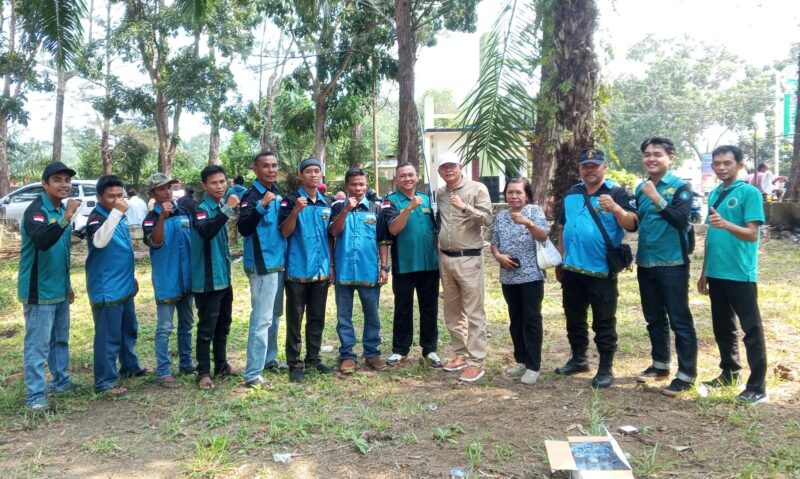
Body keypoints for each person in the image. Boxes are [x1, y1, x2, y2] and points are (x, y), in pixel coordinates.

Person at [554, 148, 638, 389]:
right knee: (574, 318)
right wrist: (560, 258)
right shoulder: (572, 193)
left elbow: (632, 224)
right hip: (572, 268)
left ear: (604, 168)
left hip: (601, 270)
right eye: (585, 166)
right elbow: (564, 227)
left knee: (603, 321)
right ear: (580, 169)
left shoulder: (616, 192)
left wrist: (616, 209)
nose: (590, 170)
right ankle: (578, 359)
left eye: (595, 165)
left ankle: (605, 368)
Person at [697, 145, 768, 404]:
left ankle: (757, 387)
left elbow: (752, 234)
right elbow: (711, 235)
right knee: (723, 328)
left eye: (727, 162)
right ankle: (729, 373)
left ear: (739, 164)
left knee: (751, 329)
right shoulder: (716, 192)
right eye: (717, 163)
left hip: (740, 273)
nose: (721, 167)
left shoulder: (750, 193)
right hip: (716, 272)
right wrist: (704, 271)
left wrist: (726, 224)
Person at [634, 137, 698, 396]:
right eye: (647, 154)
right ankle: (660, 364)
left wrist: (656, 198)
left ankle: (686, 374)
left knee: (679, 320)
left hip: (672, 263)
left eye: (657, 154)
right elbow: (636, 222)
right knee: (654, 318)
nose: (651, 158)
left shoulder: (680, 187)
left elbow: (681, 220)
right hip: (646, 261)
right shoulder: (640, 188)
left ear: (670, 158)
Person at [19, 162, 81, 411]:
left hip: (59, 290)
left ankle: (60, 382)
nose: (64, 184)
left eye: (67, 180)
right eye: (57, 180)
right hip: (39, 291)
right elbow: (43, 241)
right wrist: (66, 218)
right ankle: (35, 396)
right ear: (45, 184)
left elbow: (62, 252)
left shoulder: (60, 209)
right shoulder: (36, 211)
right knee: (38, 344)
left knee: (60, 340)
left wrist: (68, 286)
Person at [85, 175, 147, 396]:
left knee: (128, 330)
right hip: (107, 288)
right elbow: (99, 241)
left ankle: (130, 366)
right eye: (111, 196)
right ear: (99, 197)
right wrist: (116, 212)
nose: (117, 200)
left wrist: (132, 277)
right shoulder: (97, 218)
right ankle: (105, 381)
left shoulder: (118, 215)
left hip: (124, 284)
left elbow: (123, 248)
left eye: (120, 195)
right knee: (108, 337)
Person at [436, 152, 493, 382]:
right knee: (452, 311)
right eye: (444, 167)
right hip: (445, 259)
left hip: (469, 258)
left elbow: (487, 219)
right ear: (439, 171)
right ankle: (460, 354)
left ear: (460, 166)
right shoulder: (440, 193)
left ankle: (476, 361)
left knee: (474, 312)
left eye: (452, 165)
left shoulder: (477, 189)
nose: (448, 170)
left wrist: (464, 207)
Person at [329, 168, 390, 374]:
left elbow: (382, 241)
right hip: (343, 271)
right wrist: (345, 210)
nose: (358, 188)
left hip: (368, 270)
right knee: (343, 316)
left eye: (361, 184)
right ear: (347, 186)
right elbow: (333, 232)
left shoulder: (376, 209)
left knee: (372, 315)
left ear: (366, 185)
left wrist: (384, 267)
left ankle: (372, 353)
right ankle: (347, 355)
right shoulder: (338, 207)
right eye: (354, 184)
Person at [278, 158, 335, 382]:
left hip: (321, 270)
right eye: (308, 171)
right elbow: (284, 232)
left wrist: (331, 265)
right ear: (300, 175)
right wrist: (295, 212)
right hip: (297, 269)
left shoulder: (327, 202)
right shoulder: (290, 200)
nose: (313, 174)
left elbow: (330, 236)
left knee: (317, 318)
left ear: (321, 174)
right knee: (295, 320)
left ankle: (314, 358)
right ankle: (294, 364)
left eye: (316, 171)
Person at [382, 162, 442, 368]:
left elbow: (436, 230)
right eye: (403, 176)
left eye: (411, 175)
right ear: (396, 179)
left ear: (417, 177)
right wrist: (408, 208)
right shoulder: (390, 202)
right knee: (403, 309)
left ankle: (430, 349)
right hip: (405, 265)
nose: (407, 179)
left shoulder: (427, 200)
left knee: (430, 308)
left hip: (430, 265)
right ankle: (400, 350)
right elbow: (393, 229)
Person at [490, 178, 549, 385]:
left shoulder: (534, 211)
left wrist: (528, 223)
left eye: (518, 192)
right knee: (515, 320)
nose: (513, 196)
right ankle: (521, 360)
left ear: (527, 195)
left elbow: (543, 236)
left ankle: (533, 366)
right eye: (510, 192)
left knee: (531, 319)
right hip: (508, 276)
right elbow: (494, 243)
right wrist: (498, 256)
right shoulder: (501, 216)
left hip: (531, 275)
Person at [237, 152, 287, 389]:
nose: (271, 170)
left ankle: (270, 359)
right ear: (255, 169)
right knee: (261, 319)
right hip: (261, 265)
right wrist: (262, 205)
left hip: (279, 262)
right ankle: (252, 373)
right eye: (265, 166)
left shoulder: (278, 192)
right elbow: (244, 228)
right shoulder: (250, 196)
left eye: (274, 166)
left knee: (274, 315)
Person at [142, 173, 196, 389]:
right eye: (161, 188)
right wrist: (162, 217)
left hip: (187, 278)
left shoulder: (183, 211)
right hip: (166, 279)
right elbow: (155, 242)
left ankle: (186, 363)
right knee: (165, 327)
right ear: (152, 193)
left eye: (168, 187)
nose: (167, 191)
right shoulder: (150, 218)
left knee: (187, 324)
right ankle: (164, 371)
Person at [190, 165, 239, 390]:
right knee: (206, 328)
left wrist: (225, 208)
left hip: (223, 278)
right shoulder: (200, 209)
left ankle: (221, 365)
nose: (219, 186)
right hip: (207, 280)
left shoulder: (219, 207)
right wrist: (228, 209)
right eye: (213, 183)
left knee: (223, 325)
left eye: (222, 181)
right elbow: (207, 231)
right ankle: (203, 373)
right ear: (204, 185)